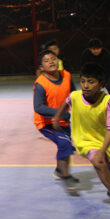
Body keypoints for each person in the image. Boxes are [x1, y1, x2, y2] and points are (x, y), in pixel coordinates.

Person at [53, 63, 110, 213]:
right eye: (83, 81)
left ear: (101, 84)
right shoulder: (76, 96)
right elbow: (67, 101)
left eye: (91, 82)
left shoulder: (109, 103)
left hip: (109, 142)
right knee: (98, 161)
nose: (85, 86)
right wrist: (57, 117)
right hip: (86, 140)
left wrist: (103, 149)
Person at [33, 50, 78, 190]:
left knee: (66, 144)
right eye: (46, 61)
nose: (51, 62)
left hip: (64, 120)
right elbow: (38, 107)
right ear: (42, 68)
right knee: (65, 144)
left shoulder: (67, 75)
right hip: (46, 123)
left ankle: (59, 170)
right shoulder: (40, 84)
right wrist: (59, 113)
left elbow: (74, 95)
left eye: (53, 58)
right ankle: (66, 176)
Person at [81, 38, 110, 117]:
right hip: (91, 77)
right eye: (94, 49)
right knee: (88, 93)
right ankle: (88, 111)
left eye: (98, 49)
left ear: (101, 48)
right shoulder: (85, 55)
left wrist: (103, 81)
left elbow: (108, 69)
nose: (96, 51)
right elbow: (84, 68)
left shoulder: (106, 54)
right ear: (90, 49)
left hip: (106, 76)